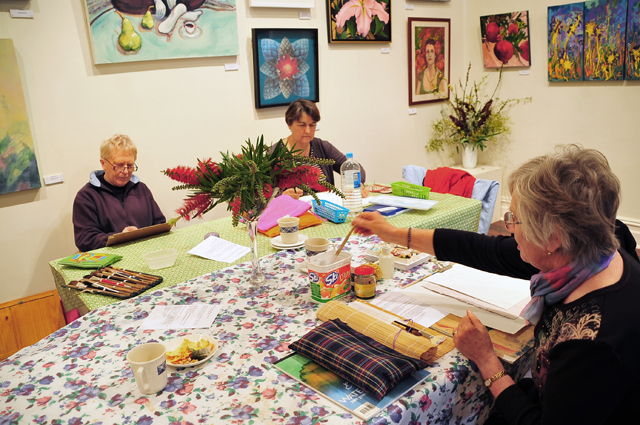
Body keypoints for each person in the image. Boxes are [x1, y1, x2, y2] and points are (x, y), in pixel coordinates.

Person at [352, 145, 640, 424]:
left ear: (552, 237)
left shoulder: (593, 341)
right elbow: (482, 250)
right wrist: (393, 233)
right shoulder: (587, 249)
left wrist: (487, 360)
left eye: (514, 219)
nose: (508, 227)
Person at [73, 134, 166, 252]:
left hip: (146, 254)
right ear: (103, 163)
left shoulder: (141, 189)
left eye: (130, 165)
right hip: (111, 262)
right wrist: (120, 237)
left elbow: (160, 224)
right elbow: (85, 239)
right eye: (119, 166)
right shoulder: (87, 196)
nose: (126, 171)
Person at [270, 99, 367, 199]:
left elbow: (352, 167)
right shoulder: (275, 154)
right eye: (302, 125)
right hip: (292, 212)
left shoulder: (322, 147)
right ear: (289, 124)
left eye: (312, 125)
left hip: (324, 209)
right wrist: (281, 196)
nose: (308, 130)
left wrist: (359, 184)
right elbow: (263, 194)